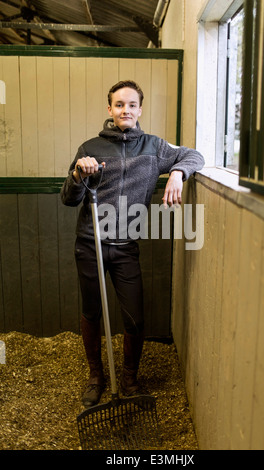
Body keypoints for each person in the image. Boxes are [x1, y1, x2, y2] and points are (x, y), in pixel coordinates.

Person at [60, 80, 205, 408]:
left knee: (135, 318)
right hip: (90, 244)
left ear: (140, 110)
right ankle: (97, 377)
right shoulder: (90, 148)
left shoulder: (154, 147)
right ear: (109, 109)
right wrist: (78, 176)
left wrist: (179, 173)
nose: (126, 110)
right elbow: (69, 200)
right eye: (119, 105)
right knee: (91, 312)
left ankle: (129, 380)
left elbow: (195, 155)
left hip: (126, 246)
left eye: (132, 105)